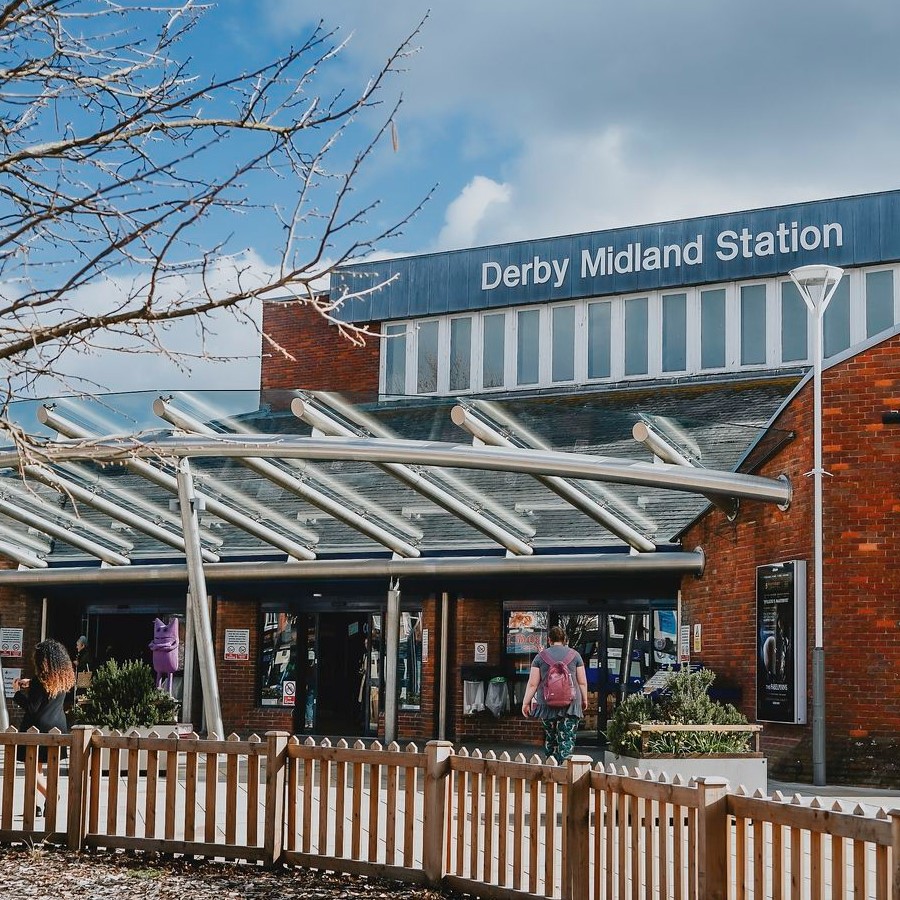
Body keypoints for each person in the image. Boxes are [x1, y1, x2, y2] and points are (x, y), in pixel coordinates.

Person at [13, 639, 76, 815]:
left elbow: (33, 707)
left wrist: (17, 694)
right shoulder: (62, 679)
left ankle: (51, 796)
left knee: (32, 770)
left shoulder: (40, 680)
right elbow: (47, 696)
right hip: (57, 727)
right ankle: (37, 806)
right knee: (45, 770)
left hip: (36, 728)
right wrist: (30, 683)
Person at [520, 625, 588, 762]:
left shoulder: (540, 657)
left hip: (546, 704)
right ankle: (564, 770)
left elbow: (533, 683)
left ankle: (551, 768)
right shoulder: (575, 656)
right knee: (566, 738)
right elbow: (582, 682)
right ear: (565, 640)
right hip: (571, 703)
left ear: (549, 640)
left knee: (550, 737)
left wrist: (525, 702)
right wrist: (584, 700)